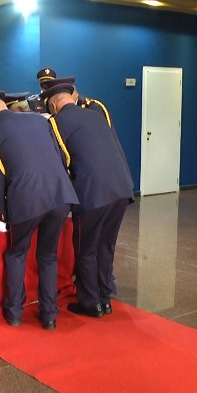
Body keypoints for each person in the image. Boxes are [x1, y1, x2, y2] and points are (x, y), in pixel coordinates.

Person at [0, 91, 79, 330]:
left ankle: (15, 311)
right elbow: (59, 157)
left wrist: (1, 213)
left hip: (27, 199)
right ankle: (49, 314)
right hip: (61, 195)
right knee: (48, 255)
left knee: (17, 253)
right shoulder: (39, 120)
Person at [40, 82, 134, 318]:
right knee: (106, 245)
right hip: (121, 187)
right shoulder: (96, 114)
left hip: (92, 192)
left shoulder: (55, 122)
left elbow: (61, 160)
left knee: (86, 249)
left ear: (53, 105)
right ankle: (105, 296)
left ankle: (91, 303)